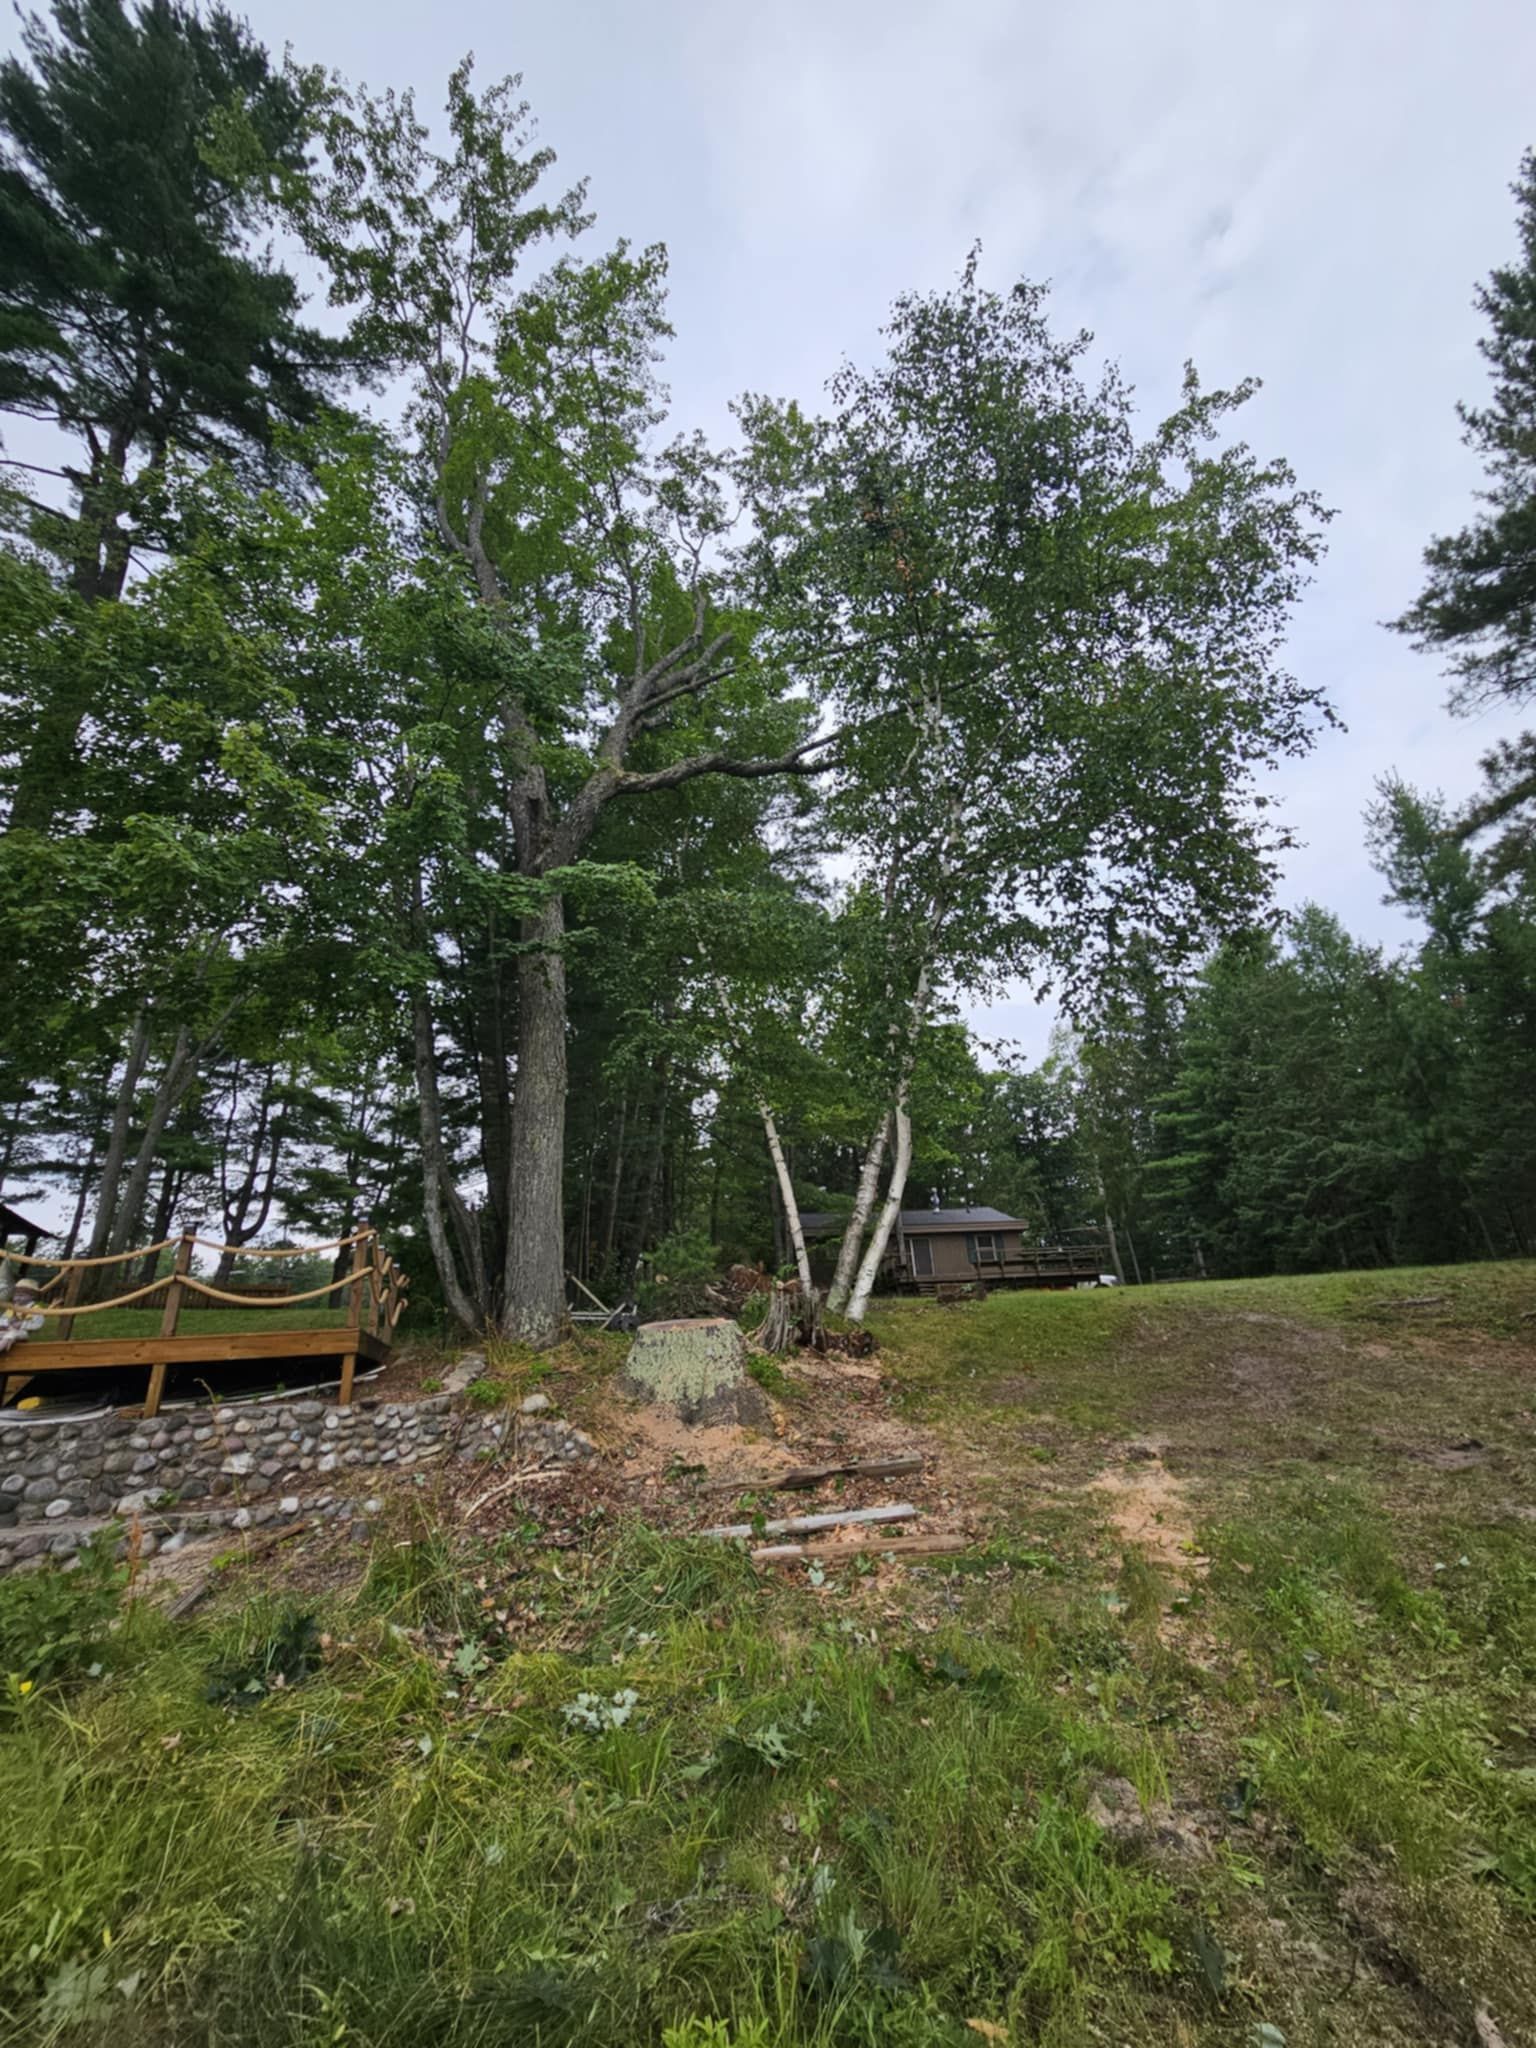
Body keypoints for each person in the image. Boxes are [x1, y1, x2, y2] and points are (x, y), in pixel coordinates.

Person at [0, 1278, 45, 1355]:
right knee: (4, 1333)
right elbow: (2, 1320)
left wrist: (22, 1324)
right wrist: (7, 1321)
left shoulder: (35, 1309)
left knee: (12, 1334)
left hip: (22, 1333)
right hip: (7, 1330)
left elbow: (38, 1324)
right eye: (16, 1295)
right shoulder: (13, 1307)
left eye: (21, 1295)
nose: (17, 1298)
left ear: (32, 1296)